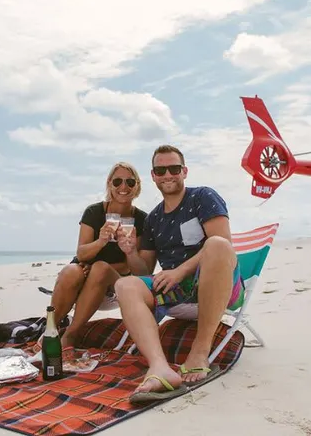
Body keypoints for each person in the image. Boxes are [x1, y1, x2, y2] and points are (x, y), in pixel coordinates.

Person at [114, 144, 238, 399]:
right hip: (176, 291)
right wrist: (130, 252)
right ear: (153, 176)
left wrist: (179, 271)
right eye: (161, 170)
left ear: (184, 171)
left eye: (174, 168)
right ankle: (159, 365)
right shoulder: (153, 218)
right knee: (125, 285)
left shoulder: (203, 197)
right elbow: (144, 270)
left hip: (216, 283)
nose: (167, 174)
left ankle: (200, 350)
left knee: (216, 244)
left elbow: (224, 243)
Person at [48, 161, 148, 347]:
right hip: (82, 278)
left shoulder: (142, 219)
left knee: (101, 268)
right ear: (109, 184)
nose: (123, 187)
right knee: (71, 271)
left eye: (130, 182)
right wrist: (101, 241)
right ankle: (49, 331)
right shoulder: (94, 212)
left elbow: (137, 269)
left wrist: (130, 251)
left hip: (114, 286)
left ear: (137, 186)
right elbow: (81, 252)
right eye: (117, 181)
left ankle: (71, 334)